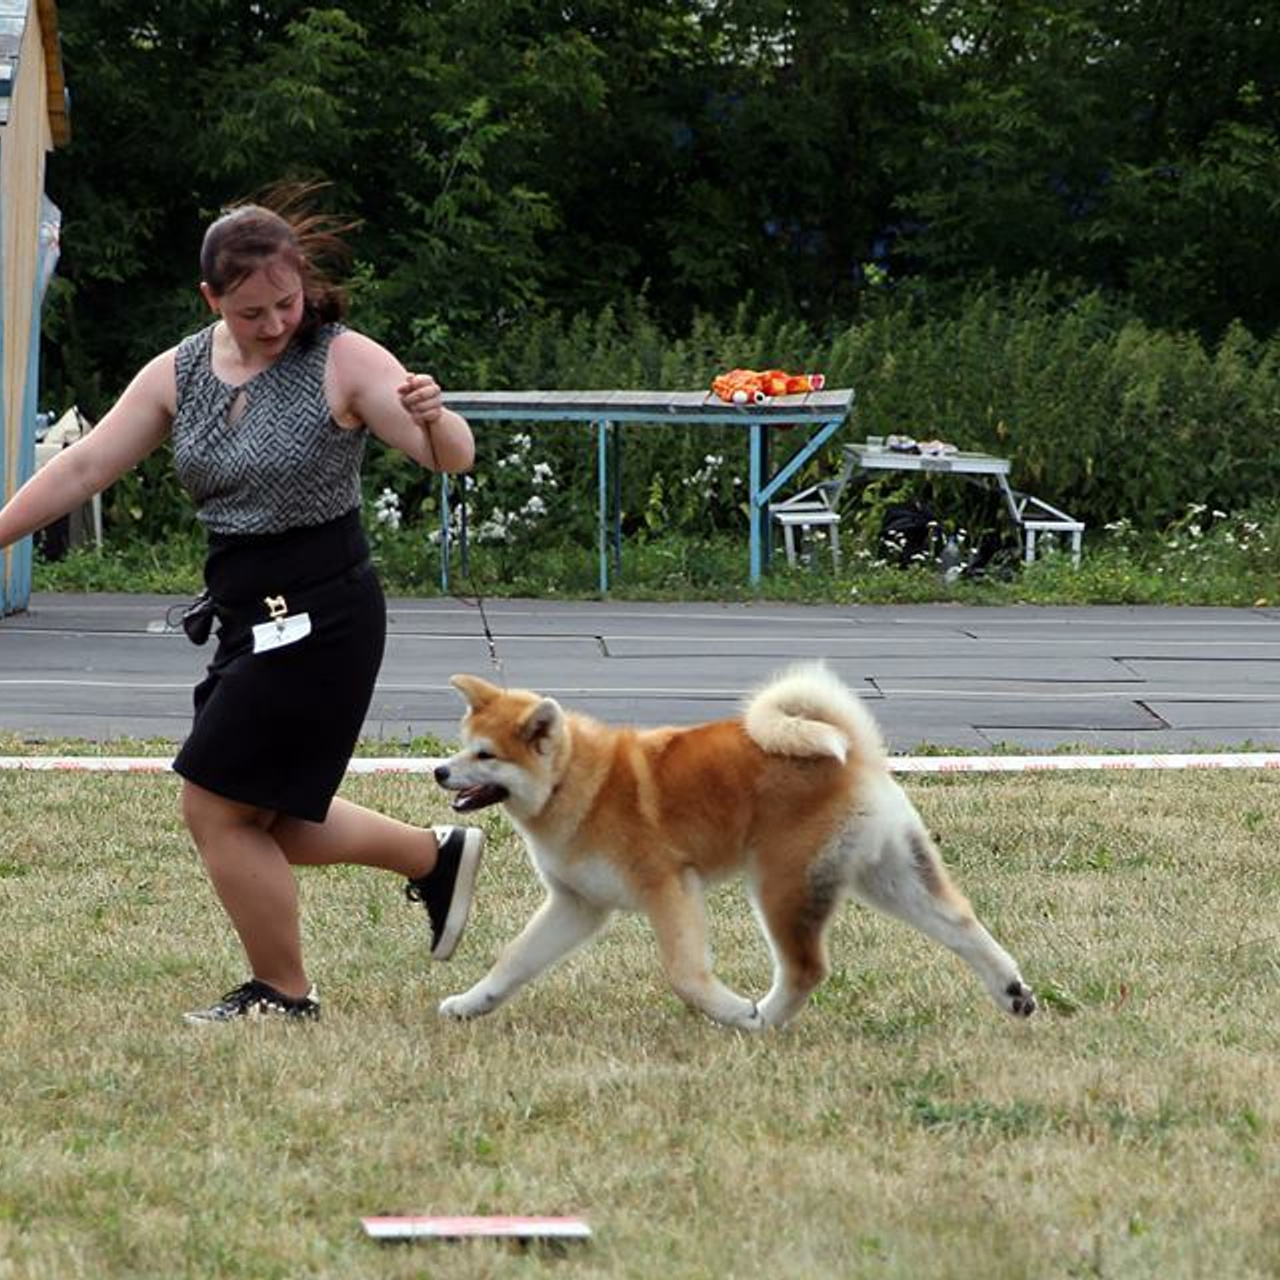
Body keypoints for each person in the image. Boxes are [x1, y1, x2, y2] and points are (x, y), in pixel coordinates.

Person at [0, 193, 485, 1023]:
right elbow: (82, 470)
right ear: (211, 300)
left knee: (214, 803)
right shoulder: (179, 370)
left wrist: (436, 419)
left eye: (287, 304)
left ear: (305, 285)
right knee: (268, 819)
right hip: (244, 612)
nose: (274, 325)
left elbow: (453, 458)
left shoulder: (344, 359)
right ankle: (432, 858)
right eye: (252, 311)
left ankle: (283, 993)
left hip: (325, 613)